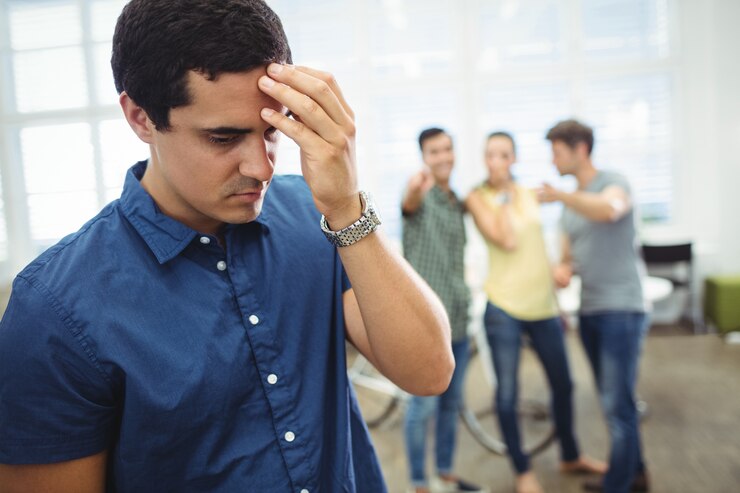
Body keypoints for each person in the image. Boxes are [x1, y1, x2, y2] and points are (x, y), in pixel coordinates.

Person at [0, 1, 456, 491]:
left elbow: (428, 371)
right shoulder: (53, 309)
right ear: (140, 117)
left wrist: (346, 208)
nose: (262, 167)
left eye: (273, 131)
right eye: (224, 137)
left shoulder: (315, 211)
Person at [466, 132, 606, 493]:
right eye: (490, 154)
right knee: (508, 394)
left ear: (514, 158)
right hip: (503, 309)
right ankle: (522, 470)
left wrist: (555, 289)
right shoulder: (477, 198)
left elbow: (536, 247)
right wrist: (505, 198)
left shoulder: (529, 195)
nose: (496, 161)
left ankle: (570, 455)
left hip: (543, 307)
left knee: (564, 384)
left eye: (503, 154)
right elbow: (507, 239)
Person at [539, 119, 649, 493]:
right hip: (590, 311)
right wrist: (562, 269)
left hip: (623, 309)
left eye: (557, 152)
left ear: (580, 149)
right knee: (617, 402)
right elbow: (568, 258)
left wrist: (561, 196)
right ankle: (636, 473)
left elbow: (610, 210)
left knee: (617, 404)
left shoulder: (612, 182)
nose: (553, 161)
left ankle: (618, 485)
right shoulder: (568, 210)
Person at [401, 128, 484, 493]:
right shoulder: (420, 193)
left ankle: (446, 476)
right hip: (426, 324)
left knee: (452, 404)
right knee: (422, 408)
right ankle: (421, 485)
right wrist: (414, 188)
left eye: (447, 149)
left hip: (459, 317)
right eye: (434, 152)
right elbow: (408, 204)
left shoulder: (456, 200)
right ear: (424, 156)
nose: (443, 157)